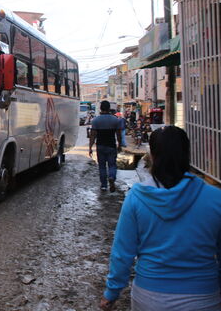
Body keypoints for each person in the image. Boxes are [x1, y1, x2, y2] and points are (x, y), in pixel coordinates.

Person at [100, 126, 221, 311]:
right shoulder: (214, 198)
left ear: (153, 156)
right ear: (187, 154)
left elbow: (122, 253)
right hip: (204, 297)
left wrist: (112, 292)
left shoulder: (137, 198)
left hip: (150, 297)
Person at [89, 101, 123, 192]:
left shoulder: (95, 120)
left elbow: (93, 135)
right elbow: (119, 135)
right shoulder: (116, 120)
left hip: (100, 146)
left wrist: (90, 147)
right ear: (109, 108)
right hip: (111, 146)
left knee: (102, 166)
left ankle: (104, 185)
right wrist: (119, 144)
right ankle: (111, 177)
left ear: (100, 108)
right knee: (112, 165)